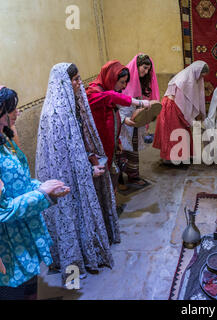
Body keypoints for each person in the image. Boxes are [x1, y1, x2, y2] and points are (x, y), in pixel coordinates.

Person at [36, 63, 121, 282]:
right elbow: (61, 159)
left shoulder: (72, 105)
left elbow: (79, 143)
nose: (79, 83)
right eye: (75, 80)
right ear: (63, 83)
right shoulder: (54, 115)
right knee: (71, 216)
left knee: (84, 214)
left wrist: (90, 161)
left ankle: (90, 252)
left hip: (80, 168)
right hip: (64, 179)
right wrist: (86, 170)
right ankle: (75, 263)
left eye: (79, 78)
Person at [0, 87, 70, 299]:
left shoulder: (4, 142)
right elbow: (3, 210)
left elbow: (18, 182)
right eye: (11, 109)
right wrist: (41, 193)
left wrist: (45, 188)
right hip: (8, 244)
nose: (17, 112)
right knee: (15, 290)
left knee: (30, 284)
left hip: (22, 234)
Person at [86, 60, 152, 190]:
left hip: (111, 142)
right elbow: (110, 97)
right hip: (99, 146)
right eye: (122, 82)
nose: (124, 86)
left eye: (126, 82)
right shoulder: (93, 92)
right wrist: (138, 103)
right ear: (111, 78)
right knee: (103, 181)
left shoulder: (105, 89)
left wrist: (117, 141)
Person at [153, 61, 209, 163]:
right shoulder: (185, 80)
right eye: (201, 75)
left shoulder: (192, 76)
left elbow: (194, 98)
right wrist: (189, 119)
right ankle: (171, 159)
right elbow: (182, 102)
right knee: (174, 132)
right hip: (173, 106)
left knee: (181, 132)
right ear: (197, 72)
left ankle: (180, 157)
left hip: (176, 105)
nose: (201, 78)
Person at [118, 53, 160, 188]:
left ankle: (133, 177)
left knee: (133, 150)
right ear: (136, 67)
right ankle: (118, 179)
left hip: (136, 122)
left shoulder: (143, 82)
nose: (146, 71)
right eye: (144, 68)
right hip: (123, 122)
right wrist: (124, 119)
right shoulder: (122, 80)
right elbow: (115, 104)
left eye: (148, 69)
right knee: (121, 150)